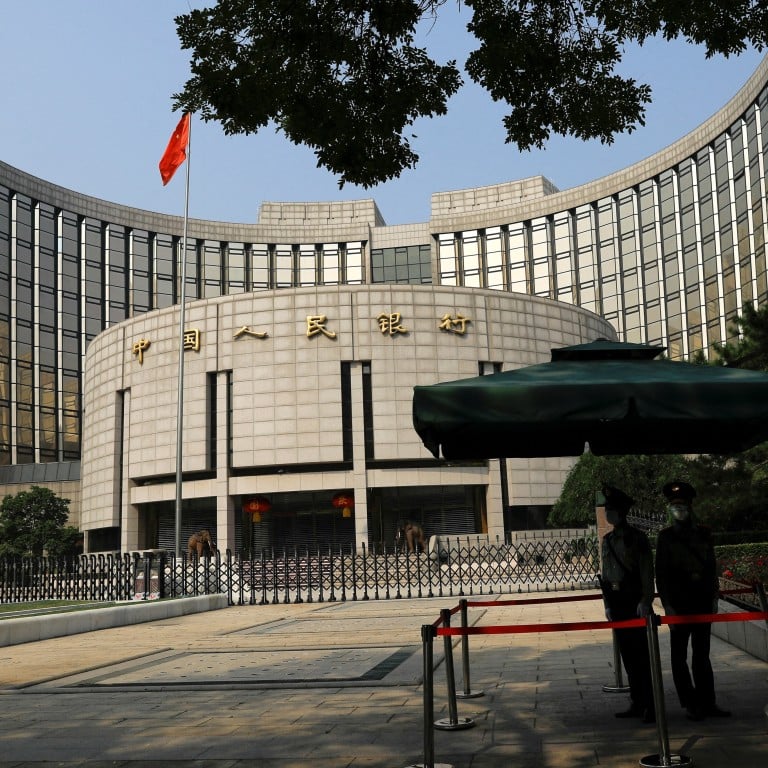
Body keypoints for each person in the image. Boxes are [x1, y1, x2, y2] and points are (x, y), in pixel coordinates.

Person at [655, 480, 731, 721]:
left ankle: (708, 702)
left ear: (690, 506)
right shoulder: (665, 537)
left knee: (702, 654)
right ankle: (690, 703)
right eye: (674, 505)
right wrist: (667, 604)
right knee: (679, 656)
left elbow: (711, 567)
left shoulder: (704, 533)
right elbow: (662, 574)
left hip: (700, 601)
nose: (679, 509)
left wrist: (714, 596)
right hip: (678, 603)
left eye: (682, 505)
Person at [600, 486, 656, 723]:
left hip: (634, 600)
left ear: (622, 512)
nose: (607, 513)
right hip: (617, 600)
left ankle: (651, 704)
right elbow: (606, 573)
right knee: (627, 656)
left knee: (641, 655)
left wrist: (646, 600)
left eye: (611, 509)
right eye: (607, 509)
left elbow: (645, 571)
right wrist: (607, 604)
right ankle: (637, 700)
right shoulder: (607, 539)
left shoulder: (636, 538)